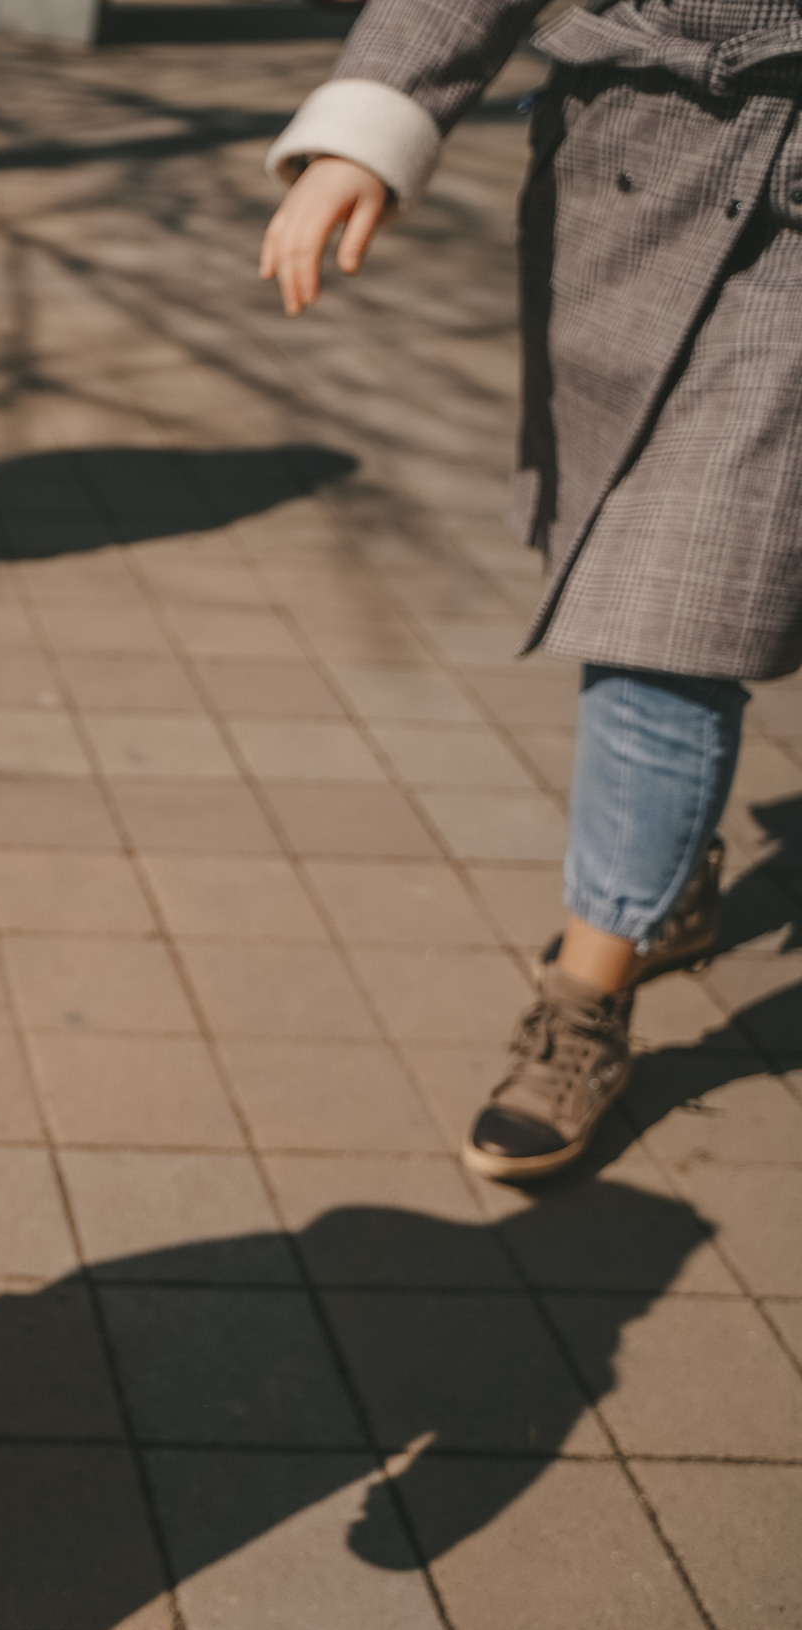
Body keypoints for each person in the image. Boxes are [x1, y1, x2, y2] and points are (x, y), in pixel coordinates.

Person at [259, 0, 802, 1181]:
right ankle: (655, 895)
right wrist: (375, 121)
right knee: (645, 595)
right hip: (637, 170)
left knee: (680, 609)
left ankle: (585, 994)